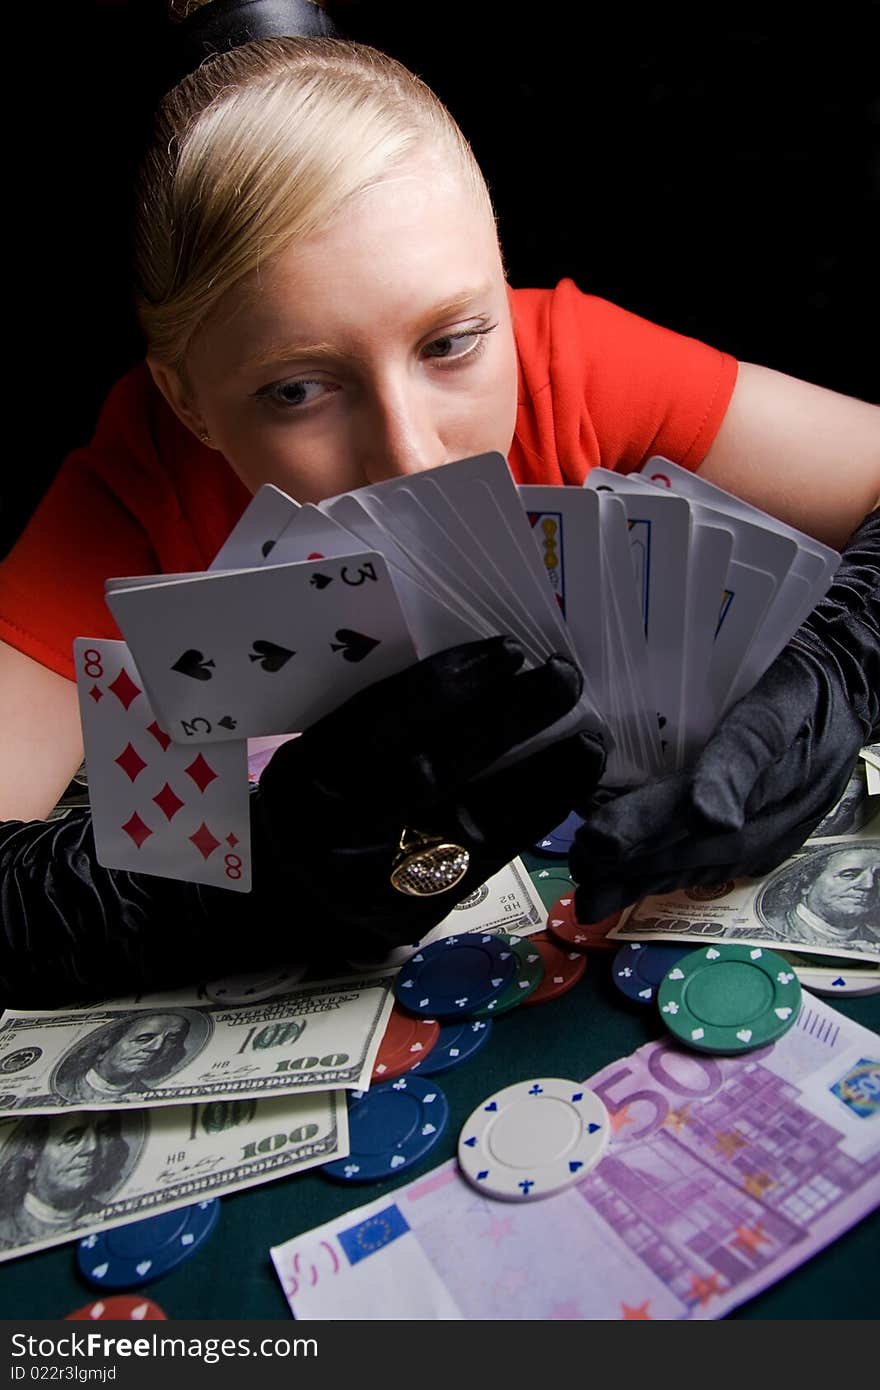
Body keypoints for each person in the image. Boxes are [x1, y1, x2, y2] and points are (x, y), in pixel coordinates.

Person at [0, 3, 878, 1007]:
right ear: (186, 399)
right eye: (296, 390)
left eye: (452, 342)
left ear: (501, 289)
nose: (412, 458)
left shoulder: (564, 364)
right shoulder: (128, 502)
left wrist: (832, 685)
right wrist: (248, 889)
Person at [0, 1112, 132, 1249]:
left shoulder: (110, 1216)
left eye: (103, 1134)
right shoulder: (4, 1226)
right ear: (33, 1157)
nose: (93, 1146)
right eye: (72, 1138)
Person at [54, 1012, 194, 1105]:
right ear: (106, 1044)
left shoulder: (149, 1096)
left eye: (171, 1040)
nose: (157, 1047)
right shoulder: (63, 1087)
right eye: (144, 1038)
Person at [757, 846, 879, 948]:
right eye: (849, 875)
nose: (869, 885)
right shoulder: (772, 928)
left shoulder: (874, 939)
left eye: (878, 877)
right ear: (807, 883)